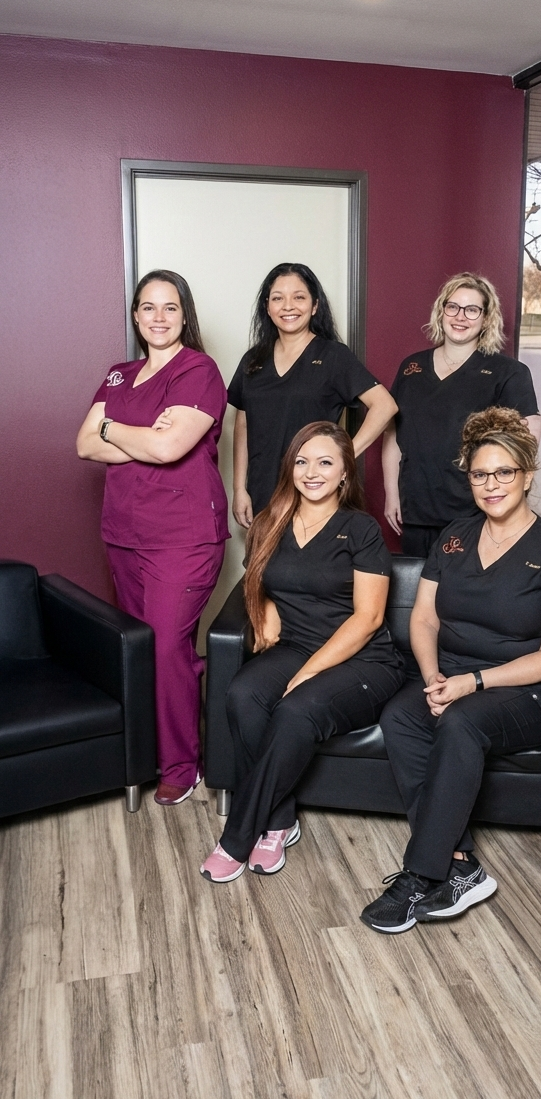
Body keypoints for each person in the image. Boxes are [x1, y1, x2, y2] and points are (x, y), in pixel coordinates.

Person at [361, 408, 541, 933]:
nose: (492, 485)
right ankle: (461, 864)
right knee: (402, 715)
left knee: (462, 720)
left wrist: (473, 683)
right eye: (480, 474)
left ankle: (420, 875)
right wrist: (432, 677)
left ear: (529, 475)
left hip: (534, 687)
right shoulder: (455, 537)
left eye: (505, 472)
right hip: (456, 675)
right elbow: (423, 618)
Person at [200, 422, 406, 883]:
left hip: (364, 660)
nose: (312, 472)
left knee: (294, 712)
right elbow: (262, 579)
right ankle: (280, 820)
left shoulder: (361, 529)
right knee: (242, 695)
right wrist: (265, 607)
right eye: (302, 461)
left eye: (326, 462)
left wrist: (309, 672)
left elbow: (369, 619)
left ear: (345, 474)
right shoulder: (272, 519)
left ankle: (237, 837)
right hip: (296, 647)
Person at [77, 269, 229, 804]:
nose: (158, 317)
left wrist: (113, 429)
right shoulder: (120, 374)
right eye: (148, 307)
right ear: (136, 316)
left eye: (169, 307)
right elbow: (83, 445)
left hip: (183, 537)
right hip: (124, 534)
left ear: (185, 314)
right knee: (143, 649)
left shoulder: (200, 370)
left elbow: (168, 450)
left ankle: (183, 764)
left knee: (168, 647)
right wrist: (143, 434)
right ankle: (150, 751)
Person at [383, 273, 541, 558]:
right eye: (452, 306)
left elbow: (526, 440)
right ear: (441, 310)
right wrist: (392, 493)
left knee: (465, 596)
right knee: (418, 594)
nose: (460, 316)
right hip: (417, 510)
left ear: (486, 318)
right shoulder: (412, 368)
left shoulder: (508, 373)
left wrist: (504, 502)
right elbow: (393, 436)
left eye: (472, 310)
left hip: (475, 512)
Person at [228, 263, 396, 526]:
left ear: (315, 305)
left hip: (316, 493)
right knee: (263, 566)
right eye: (277, 298)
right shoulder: (253, 360)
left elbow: (385, 406)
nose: (288, 306)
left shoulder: (333, 356)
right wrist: (240, 489)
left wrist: (343, 457)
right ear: (267, 307)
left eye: (299, 297)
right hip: (263, 493)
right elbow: (243, 423)